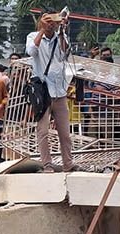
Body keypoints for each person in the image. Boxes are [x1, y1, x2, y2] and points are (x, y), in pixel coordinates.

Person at [26, 10, 75, 172]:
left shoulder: (60, 36)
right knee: (43, 131)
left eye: (53, 21)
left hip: (59, 91)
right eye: (48, 21)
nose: (51, 24)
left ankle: (68, 163)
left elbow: (64, 54)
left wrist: (61, 30)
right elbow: (31, 52)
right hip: (43, 92)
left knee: (65, 133)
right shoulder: (33, 36)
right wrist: (42, 29)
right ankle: (47, 164)